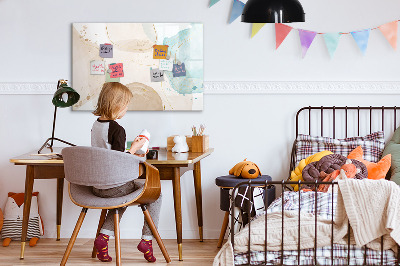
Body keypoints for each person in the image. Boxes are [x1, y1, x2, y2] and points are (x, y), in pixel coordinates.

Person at [91, 82, 161, 263]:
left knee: (121, 197)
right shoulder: (117, 129)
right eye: (126, 105)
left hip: (97, 186)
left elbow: (108, 154)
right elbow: (119, 161)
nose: (126, 109)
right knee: (156, 194)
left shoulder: (96, 125)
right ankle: (147, 240)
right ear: (117, 104)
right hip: (114, 186)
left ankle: (103, 238)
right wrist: (136, 148)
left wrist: (131, 149)